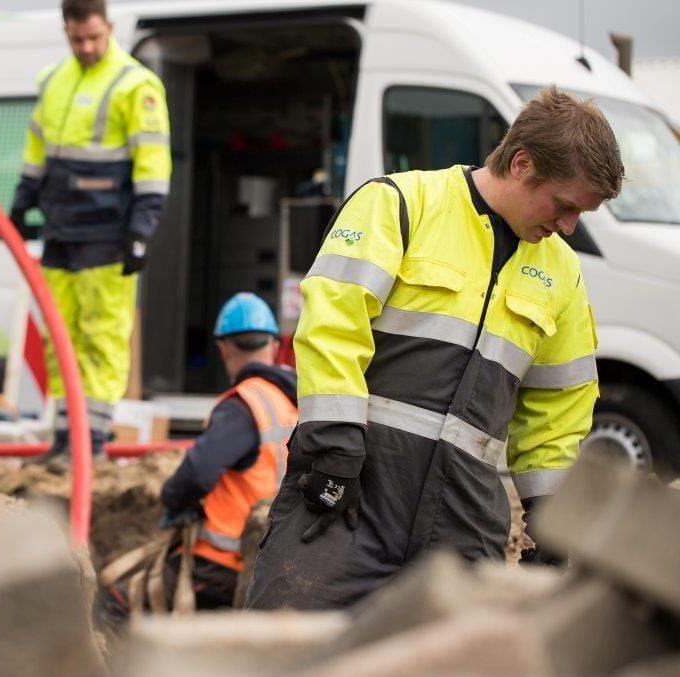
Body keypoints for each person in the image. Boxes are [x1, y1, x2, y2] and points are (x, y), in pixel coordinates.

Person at [245, 86, 625, 610]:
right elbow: (333, 325)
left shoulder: (562, 273)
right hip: (349, 497)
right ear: (521, 163)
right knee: (289, 655)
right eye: (563, 205)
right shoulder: (400, 205)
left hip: (463, 529)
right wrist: (333, 442)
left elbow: (557, 412)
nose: (567, 226)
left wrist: (554, 523)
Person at [10, 0, 171, 467]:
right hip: (60, 229)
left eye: (94, 38)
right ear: (65, 30)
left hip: (108, 234)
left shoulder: (136, 85)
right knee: (59, 337)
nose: (86, 47)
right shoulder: (53, 81)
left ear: (110, 28)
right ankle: (64, 440)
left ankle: (93, 444)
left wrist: (141, 231)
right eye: (77, 39)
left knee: (102, 337)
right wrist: (22, 199)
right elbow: (37, 151)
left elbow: (153, 166)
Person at [101, 293, 297, 620]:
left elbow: (196, 473)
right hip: (273, 562)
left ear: (223, 347)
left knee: (116, 605)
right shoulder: (294, 403)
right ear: (275, 345)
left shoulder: (242, 406)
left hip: (221, 564)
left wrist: (175, 502)